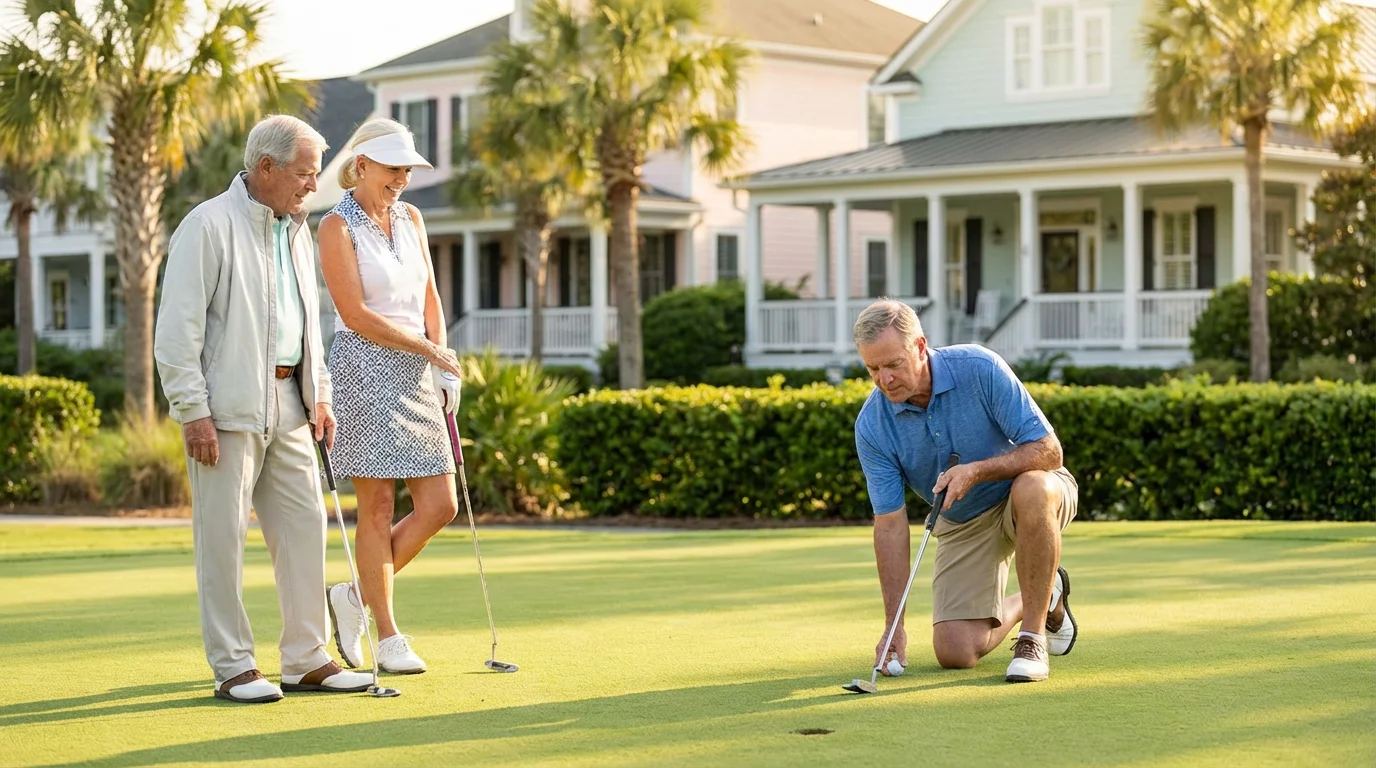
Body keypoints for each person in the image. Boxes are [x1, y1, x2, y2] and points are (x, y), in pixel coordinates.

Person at [154, 114, 374, 702]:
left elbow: (308, 325)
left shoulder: (298, 230)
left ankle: (306, 658)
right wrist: (192, 410)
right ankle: (233, 667)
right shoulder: (207, 226)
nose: (311, 184)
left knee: (306, 530)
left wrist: (320, 391)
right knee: (222, 541)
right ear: (267, 168)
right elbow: (177, 332)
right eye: (304, 174)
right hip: (224, 410)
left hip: (292, 405)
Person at [851, 299, 1079, 683]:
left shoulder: (980, 367)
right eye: (873, 368)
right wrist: (894, 625)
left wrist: (977, 471)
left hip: (1029, 495)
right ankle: (1040, 594)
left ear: (920, 347)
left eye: (893, 364)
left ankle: (1033, 638)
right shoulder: (872, 426)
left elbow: (1049, 452)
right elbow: (889, 526)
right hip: (962, 520)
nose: (884, 380)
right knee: (955, 650)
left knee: (1032, 486)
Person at [316, 117, 462, 676]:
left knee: (439, 505)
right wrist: (430, 351)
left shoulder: (412, 217)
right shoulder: (336, 226)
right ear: (362, 166)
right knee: (376, 508)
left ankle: (353, 596)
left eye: (407, 168)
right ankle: (388, 635)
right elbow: (355, 314)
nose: (401, 178)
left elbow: (430, 295)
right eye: (393, 167)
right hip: (364, 368)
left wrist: (441, 360)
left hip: (419, 369)